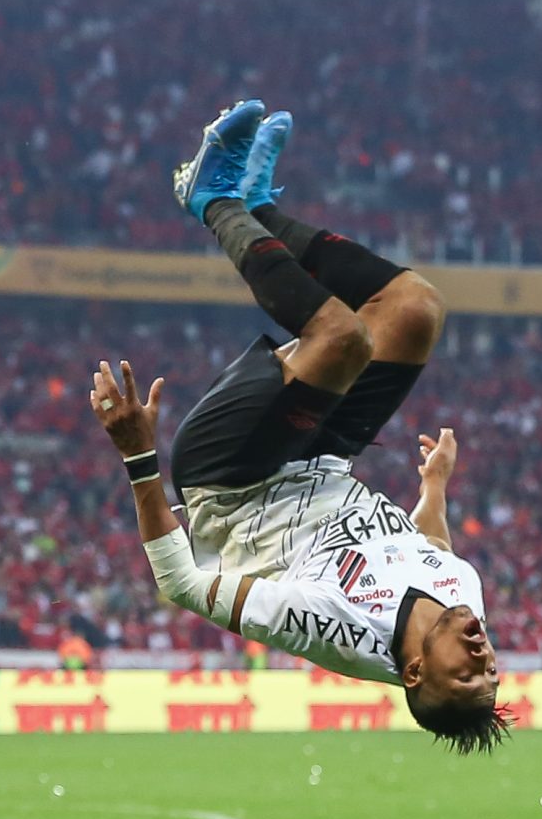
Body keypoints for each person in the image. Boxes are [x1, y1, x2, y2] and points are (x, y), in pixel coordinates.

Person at [89, 101, 508, 752]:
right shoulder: (466, 602)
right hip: (323, 458)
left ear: (416, 670)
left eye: (467, 673)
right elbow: (433, 551)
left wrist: (137, 456)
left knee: (343, 337)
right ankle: (258, 207)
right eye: (492, 671)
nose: (484, 655)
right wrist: (436, 489)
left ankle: (212, 197)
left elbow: (181, 584)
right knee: (415, 309)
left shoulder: (336, 628)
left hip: (234, 477)